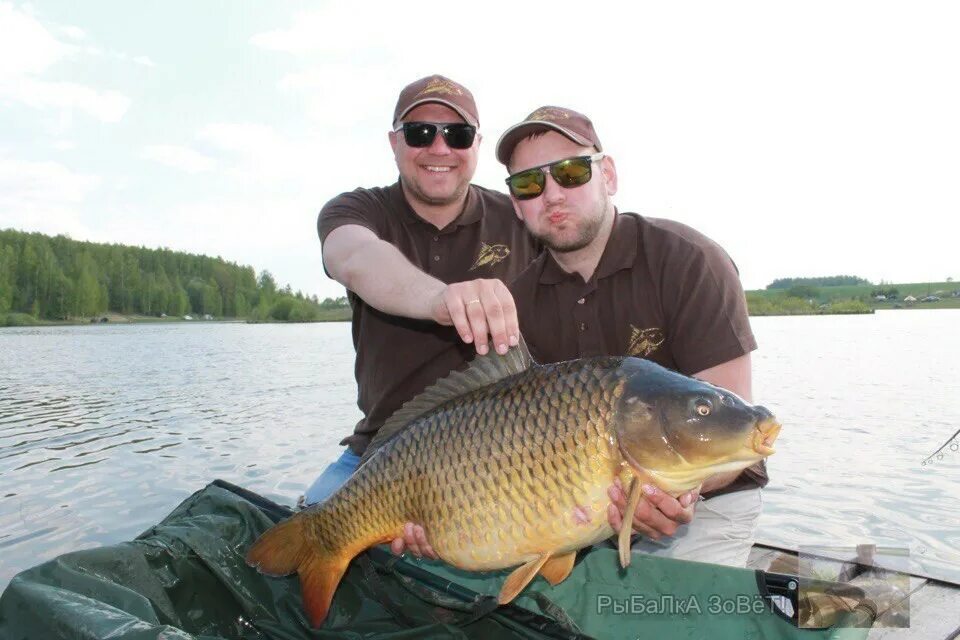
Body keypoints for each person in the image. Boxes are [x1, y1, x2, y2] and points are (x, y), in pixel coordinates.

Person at [393, 107, 762, 568]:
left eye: (570, 172)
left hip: (709, 503)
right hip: (566, 504)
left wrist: (674, 492)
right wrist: (440, 517)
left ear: (607, 175)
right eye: (529, 184)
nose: (551, 195)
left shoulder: (689, 261)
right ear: (516, 203)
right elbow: (495, 441)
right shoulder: (519, 301)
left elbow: (732, 435)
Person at [304, 75, 540, 506]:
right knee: (299, 546)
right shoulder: (357, 209)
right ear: (394, 143)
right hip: (379, 457)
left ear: (476, 145)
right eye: (419, 133)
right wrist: (440, 301)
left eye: (458, 134)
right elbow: (355, 257)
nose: (439, 148)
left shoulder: (521, 218)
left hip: (510, 458)